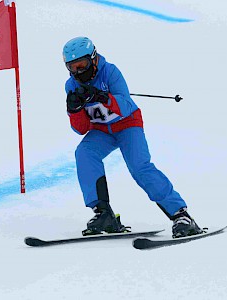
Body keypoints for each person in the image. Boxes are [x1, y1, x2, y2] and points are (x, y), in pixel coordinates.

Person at [62, 36, 203, 238]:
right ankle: (103, 213)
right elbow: (81, 129)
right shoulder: (71, 85)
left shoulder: (110, 71)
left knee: (139, 167)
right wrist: (74, 110)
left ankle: (181, 215)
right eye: (72, 67)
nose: (78, 72)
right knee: (84, 152)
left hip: (128, 125)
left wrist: (103, 97)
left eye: (82, 65)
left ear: (93, 59)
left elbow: (126, 106)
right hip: (102, 131)